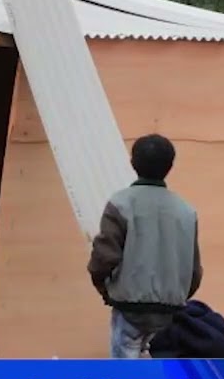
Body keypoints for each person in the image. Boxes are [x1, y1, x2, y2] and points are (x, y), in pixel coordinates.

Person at [87, 134, 203, 358]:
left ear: (133, 163)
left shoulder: (120, 204)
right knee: (155, 374)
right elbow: (194, 272)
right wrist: (175, 298)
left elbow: (104, 258)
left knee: (127, 377)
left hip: (129, 308)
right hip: (169, 312)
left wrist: (105, 289)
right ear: (170, 166)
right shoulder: (186, 212)